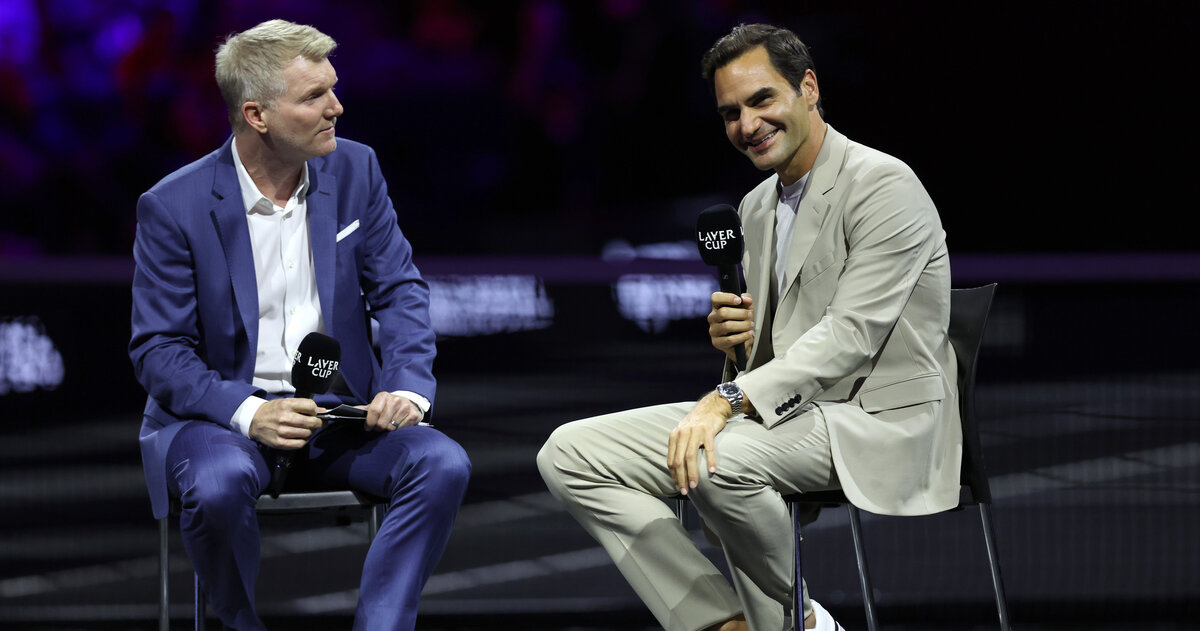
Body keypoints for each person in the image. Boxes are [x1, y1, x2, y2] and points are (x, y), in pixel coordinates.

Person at [538, 23, 960, 631]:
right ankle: (725, 622)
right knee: (570, 454)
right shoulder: (756, 206)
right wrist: (737, 346)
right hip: (789, 415)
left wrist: (726, 397)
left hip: (878, 421)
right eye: (730, 112)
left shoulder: (883, 184)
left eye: (762, 100)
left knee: (716, 454)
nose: (747, 124)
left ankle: (799, 622)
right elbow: (774, 356)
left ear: (807, 88)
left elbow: (851, 335)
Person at [129, 20, 471, 631]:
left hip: (339, 415)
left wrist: (409, 386)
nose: (336, 107)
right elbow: (159, 349)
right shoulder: (172, 207)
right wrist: (250, 411)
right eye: (314, 96)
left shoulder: (357, 171)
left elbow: (398, 291)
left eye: (332, 89)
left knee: (441, 462)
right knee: (218, 482)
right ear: (256, 115)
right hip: (222, 423)